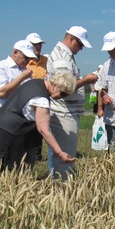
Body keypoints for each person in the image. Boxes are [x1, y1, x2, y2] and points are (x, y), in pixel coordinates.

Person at [0, 70, 76, 171]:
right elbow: (43, 130)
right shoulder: (41, 100)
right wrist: (60, 153)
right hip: (11, 134)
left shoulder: (35, 83)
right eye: (63, 93)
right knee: (11, 170)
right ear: (55, 85)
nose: (62, 97)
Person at [44, 26, 98, 180]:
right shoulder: (62, 59)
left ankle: (60, 185)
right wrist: (87, 80)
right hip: (64, 113)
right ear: (72, 39)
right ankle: (62, 188)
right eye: (80, 45)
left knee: (61, 155)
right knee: (65, 157)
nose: (80, 49)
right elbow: (63, 89)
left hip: (64, 112)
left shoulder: (63, 55)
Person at [0, 39, 37, 109]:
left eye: (30, 58)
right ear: (15, 52)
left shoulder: (26, 71)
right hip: (4, 111)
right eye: (26, 57)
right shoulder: (0, 67)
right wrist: (22, 77)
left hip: (22, 112)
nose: (28, 61)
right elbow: (1, 93)